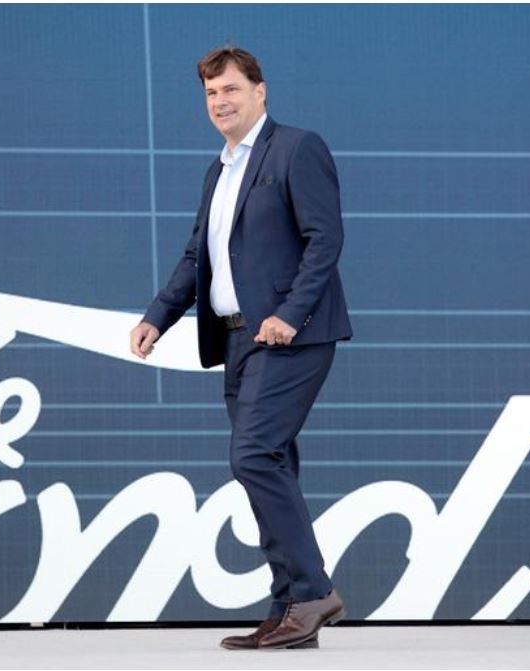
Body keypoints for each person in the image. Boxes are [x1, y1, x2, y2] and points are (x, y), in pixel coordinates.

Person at [129, 46, 353, 650]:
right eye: (210, 93)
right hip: (236, 340)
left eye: (230, 89)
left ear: (260, 91)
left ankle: (312, 593)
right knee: (271, 462)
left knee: (253, 455)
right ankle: (290, 610)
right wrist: (159, 316)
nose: (220, 102)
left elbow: (325, 239)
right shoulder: (219, 170)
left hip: (291, 334)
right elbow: (196, 255)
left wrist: (289, 314)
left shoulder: (297, 148)